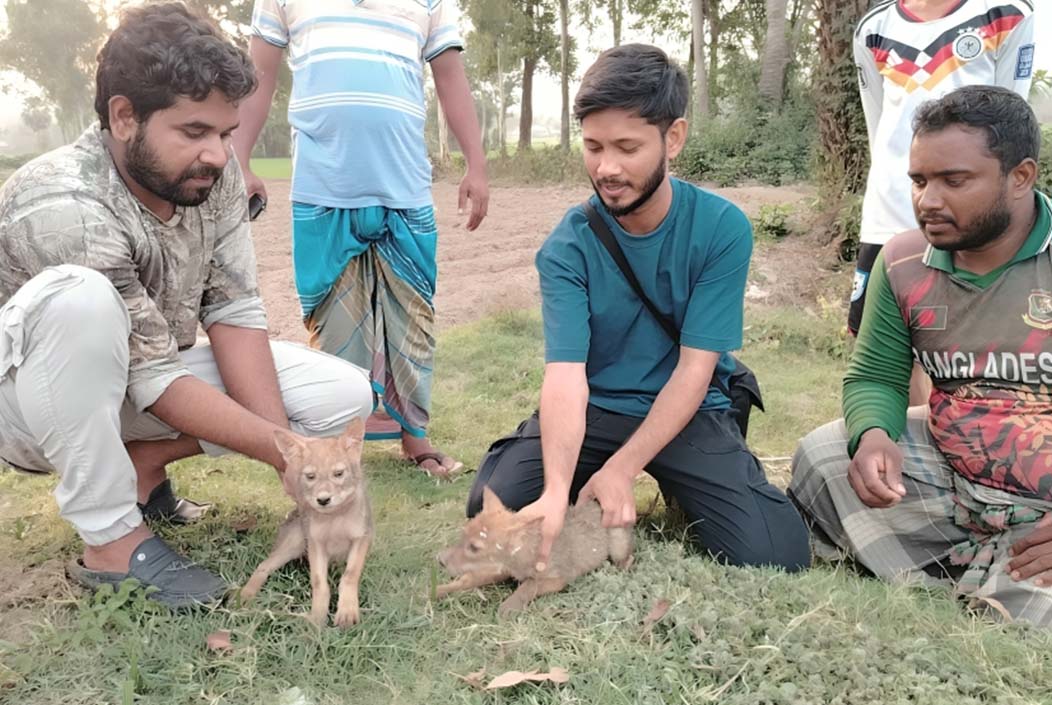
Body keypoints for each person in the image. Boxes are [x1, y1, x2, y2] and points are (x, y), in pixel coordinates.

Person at [0, 3, 373, 608]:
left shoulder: (212, 180)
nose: (219, 155)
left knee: (345, 395)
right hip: (27, 404)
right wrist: (285, 455)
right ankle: (112, 541)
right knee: (81, 301)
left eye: (226, 133)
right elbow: (150, 373)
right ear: (124, 117)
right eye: (195, 132)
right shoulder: (63, 200)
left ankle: (142, 464)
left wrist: (288, 451)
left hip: (137, 383)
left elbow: (234, 311)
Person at [465, 44, 811, 573]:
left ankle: (649, 480)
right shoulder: (568, 246)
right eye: (593, 146)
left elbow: (697, 371)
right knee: (494, 504)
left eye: (627, 147)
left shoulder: (721, 229)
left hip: (687, 407)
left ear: (674, 137)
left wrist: (624, 468)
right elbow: (564, 374)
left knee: (775, 552)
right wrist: (557, 490)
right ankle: (579, 484)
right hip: (597, 406)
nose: (607, 168)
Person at [790, 86, 1052, 626]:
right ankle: (987, 565)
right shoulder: (905, 260)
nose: (928, 200)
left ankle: (994, 575)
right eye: (919, 180)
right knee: (823, 457)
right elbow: (876, 376)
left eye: (954, 181)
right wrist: (874, 437)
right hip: (953, 478)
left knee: (1025, 615)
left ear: (1020, 176)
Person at [232, 0, 489, 478]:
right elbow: (257, 75)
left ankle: (416, 439)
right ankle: (333, 449)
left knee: (413, 317)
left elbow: (450, 76)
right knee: (332, 321)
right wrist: (239, 158)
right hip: (321, 189)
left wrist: (476, 163)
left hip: (406, 186)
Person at [851, 0, 1035, 403]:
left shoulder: (1006, 14)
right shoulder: (873, 29)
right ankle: (913, 451)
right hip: (889, 212)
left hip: (975, 217)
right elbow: (878, 127)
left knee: (967, 336)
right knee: (886, 348)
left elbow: (1009, 120)